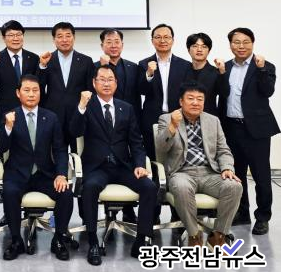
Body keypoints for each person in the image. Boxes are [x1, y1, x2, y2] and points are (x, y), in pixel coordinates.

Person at [69, 65, 156, 266]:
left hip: (122, 166)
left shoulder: (126, 108)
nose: (106, 83)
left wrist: (139, 164)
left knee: (149, 187)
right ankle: (93, 241)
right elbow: (74, 131)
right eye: (102, 79)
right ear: (94, 83)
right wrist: (81, 106)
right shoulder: (87, 106)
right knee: (90, 187)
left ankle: (140, 240)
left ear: (116, 84)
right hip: (96, 167)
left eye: (110, 79)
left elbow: (136, 142)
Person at [156, 82, 243, 247]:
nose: (195, 102)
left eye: (200, 99)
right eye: (190, 98)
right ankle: (194, 236)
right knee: (181, 187)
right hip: (182, 173)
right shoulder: (166, 119)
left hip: (210, 173)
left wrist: (227, 168)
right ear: (181, 101)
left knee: (234, 186)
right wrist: (172, 126)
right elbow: (161, 148)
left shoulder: (213, 121)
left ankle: (218, 235)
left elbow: (223, 150)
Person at [0, 74, 73, 261]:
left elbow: (60, 150)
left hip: (45, 174)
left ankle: (58, 239)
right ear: (18, 93)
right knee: (9, 192)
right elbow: (2, 147)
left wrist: (61, 174)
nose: (31, 94)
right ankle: (16, 240)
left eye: (35, 90)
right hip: (17, 173)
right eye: (26, 90)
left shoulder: (51, 117)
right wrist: (8, 127)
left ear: (40, 93)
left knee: (65, 193)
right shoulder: (10, 116)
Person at [219, 27, 279, 235]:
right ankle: (241, 212)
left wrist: (261, 70)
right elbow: (221, 94)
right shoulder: (225, 67)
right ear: (230, 45)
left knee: (261, 176)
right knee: (236, 175)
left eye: (246, 42)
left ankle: (263, 217)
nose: (241, 46)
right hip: (231, 127)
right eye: (236, 42)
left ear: (253, 43)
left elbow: (267, 91)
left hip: (256, 130)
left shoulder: (265, 66)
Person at [95, 28, 142, 223]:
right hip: (101, 126)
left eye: (117, 42)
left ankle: (129, 211)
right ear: (102, 45)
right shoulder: (94, 68)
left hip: (128, 125)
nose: (113, 45)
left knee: (128, 165)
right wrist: (102, 66)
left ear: (122, 45)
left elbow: (141, 92)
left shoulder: (133, 67)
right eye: (109, 42)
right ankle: (105, 214)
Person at [37, 21, 95, 153]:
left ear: (74, 38)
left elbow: (91, 91)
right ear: (54, 39)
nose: (64, 40)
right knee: (54, 155)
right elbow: (38, 88)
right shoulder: (46, 60)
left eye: (68, 35)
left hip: (78, 116)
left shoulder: (86, 61)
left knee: (80, 155)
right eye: (60, 36)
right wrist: (42, 66)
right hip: (53, 116)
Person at [138, 23, 192, 160]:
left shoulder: (185, 65)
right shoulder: (144, 64)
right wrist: (149, 74)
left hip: (177, 116)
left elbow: (187, 93)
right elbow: (141, 90)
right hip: (151, 117)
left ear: (173, 40)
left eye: (166, 37)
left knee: (177, 154)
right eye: (158, 37)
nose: (162, 40)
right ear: (152, 41)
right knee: (152, 154)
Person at [0, 20, 40, 128]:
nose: (15, 38)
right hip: (6, 113)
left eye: (19, 34)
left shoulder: (33, 58)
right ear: (3, 38)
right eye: (11, 35)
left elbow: (39, 86)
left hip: (30, 112)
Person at [183, 32, 229, 115]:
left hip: (208, 118)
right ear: (188, 50)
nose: (199, 50)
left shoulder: (216, 72)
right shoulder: (182, 71)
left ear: (209, 51)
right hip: (184, 118)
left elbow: (225, 94)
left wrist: (222, 71)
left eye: (204, 46)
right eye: (195, 46)